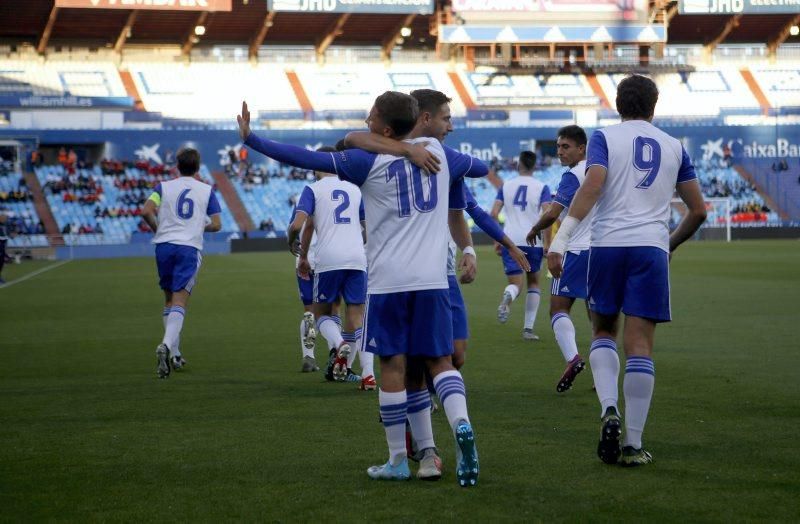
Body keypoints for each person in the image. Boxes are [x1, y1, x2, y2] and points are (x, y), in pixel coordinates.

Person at [239, 91, 480, 487]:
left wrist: (253, 140)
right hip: (435, 281)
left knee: (393, 367)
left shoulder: (365, 162)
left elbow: (308, 157)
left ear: (385, 127)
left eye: (371, 116)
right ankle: (459, 428)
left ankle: (398, 460)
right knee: (439, 362)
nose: (365, 120)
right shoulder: (440, 152)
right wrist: (410, 149)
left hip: (387, 283)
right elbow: (481, 166)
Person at [547, 74, 707, 467]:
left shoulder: (604, 137)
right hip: (649, 249)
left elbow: (594, 184)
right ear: (654, 106)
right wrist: (668, 243)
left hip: (607, 246)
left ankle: (608, 409)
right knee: (640, 346)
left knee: (603, 331)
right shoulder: (674, 146)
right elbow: (699, 210)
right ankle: (634, 445)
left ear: (618, 104)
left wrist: (561, 238)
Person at [288, 146, 373, 388]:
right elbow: (367, 228)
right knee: (357, 318)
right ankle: (368, 374)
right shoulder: (355, 190)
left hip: (328, 259)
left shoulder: (312, 189)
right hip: (357, 258)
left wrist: (292, 242)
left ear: (317, 166)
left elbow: (298, 225)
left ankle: (338, 346)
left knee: (321, 313)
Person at [141, 148, 222, 379]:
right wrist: (197, 226)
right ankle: (166, 345)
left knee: (168, 299)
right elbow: (217, 224)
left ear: (177, 165)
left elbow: (146, 211)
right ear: (198, 167)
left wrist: (159, 229)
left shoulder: (162, 187)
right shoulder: (207, 191)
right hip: (188, 248)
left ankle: (175, 354)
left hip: (164, 246)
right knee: (180, 301)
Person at [526, 125, 591, 393]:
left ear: (581, 148)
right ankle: (603, 381)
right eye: (558, 146)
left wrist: (535, 228)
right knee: (599, 322)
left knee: (557, 308)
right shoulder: (600, 171)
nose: (560, 151)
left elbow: (554, 212)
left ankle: (573, 358)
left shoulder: (572, 175)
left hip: (576, 250)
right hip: (603, 251)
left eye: (566, 146)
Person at [491, 151, 552, 340]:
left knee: (515, 284)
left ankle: (509, 295)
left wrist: (497, 240)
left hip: (510, 240)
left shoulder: (506, 186)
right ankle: (528, 329)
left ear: (518, 166)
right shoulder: (542, 187)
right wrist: (547, 243)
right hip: (532, 240)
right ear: (535, 166)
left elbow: (493, 213)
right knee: (533, 283)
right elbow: (547, 214)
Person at [0, 211, 8, 285]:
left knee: (2, 262)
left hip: (3, 244)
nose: (5, 219)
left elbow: (5, 234)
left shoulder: (4, 225)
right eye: (3, 218)